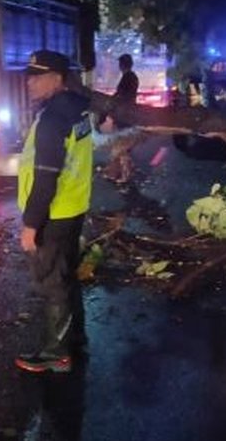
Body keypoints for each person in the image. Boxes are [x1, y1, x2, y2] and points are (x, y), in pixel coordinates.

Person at [16, 50, 94, 374]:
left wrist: (31, 225)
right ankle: (74, 339)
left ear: (58, 78)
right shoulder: (77, 108)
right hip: (74, 206)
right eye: (29, 76)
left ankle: (56, 354)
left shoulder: (52, 119)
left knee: (52, 283)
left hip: (54, 213)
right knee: (66, 275)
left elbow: (46, 176)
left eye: (38, 76)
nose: (30, 82)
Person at [102, 54, 140, 183]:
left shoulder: (128, 77)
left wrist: (112, 102)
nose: (119, 66)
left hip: (124, 115)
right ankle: (121, 171)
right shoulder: (131, 77)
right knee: (123, 144)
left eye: (120, 63)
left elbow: (122, 95)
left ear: (122, 65)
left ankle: (125, 174)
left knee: (122, 144)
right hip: (127, 115)